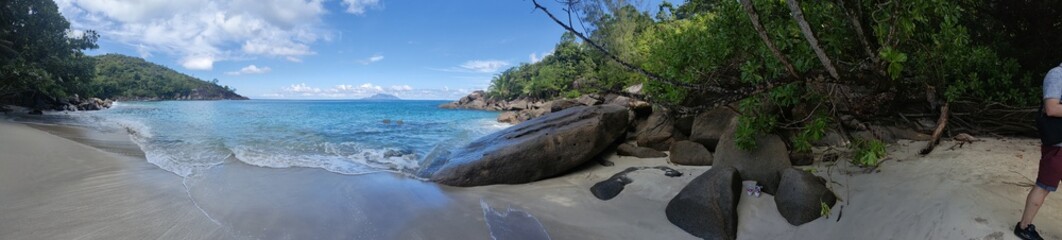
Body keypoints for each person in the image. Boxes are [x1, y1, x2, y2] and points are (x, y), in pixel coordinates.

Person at [1018, 63, 1062, 240]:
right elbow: (1051, 108)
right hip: (1057, 147)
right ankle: (1023, 227)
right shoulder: (1056, 75)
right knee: (1043, 186)